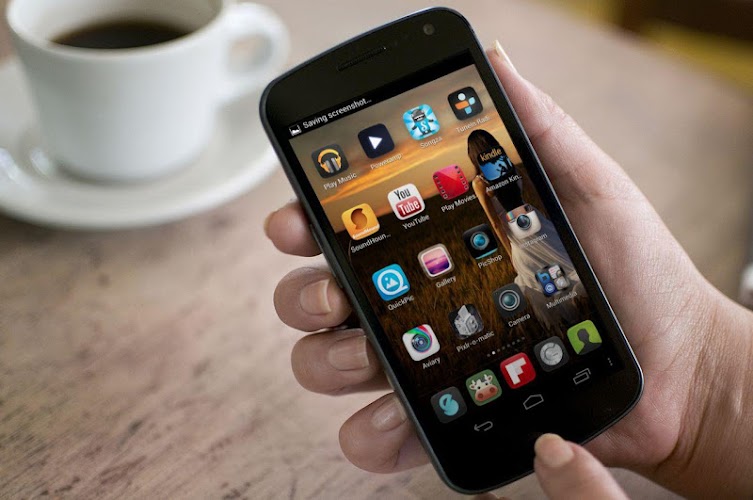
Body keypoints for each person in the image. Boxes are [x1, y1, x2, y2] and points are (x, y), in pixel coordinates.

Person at [264, 41, 753, 498]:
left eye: (489, 156)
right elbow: (504, 224)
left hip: (536, 243)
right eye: (486, 157)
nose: (491, 161)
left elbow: (510, 221)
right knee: (552, 305)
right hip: (532, 243)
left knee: (557, 305)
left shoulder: (506, 184)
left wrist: (699, 389)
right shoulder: (497, 185)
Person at [467, 128, 583, 331]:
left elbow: (495, 223)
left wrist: (511, 254)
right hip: (534, 220)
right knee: (567, 263)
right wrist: (547, 221)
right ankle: (584, 307)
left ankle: (567, 322)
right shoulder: (511, 167)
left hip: (516, 234)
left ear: (473, 154)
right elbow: (534, 194)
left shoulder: (479, 182)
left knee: (539, 278)